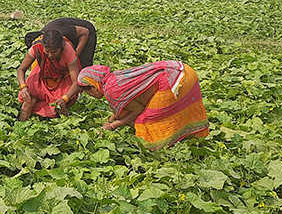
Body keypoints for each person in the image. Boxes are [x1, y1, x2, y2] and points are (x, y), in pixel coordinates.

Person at [76, 61, 209, 151]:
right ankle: (189, 137)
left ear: (93, 86)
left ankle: (163, 150)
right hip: (184, 71)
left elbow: (137, 110)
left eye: (87, 91)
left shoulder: (112, 91)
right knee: (177, 109)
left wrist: (113, 126)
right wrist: (112, 119)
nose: (89, 95)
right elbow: (127, 104)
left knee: (146, 121)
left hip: (173, 81)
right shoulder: (113, 79)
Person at [16, 29, 81, 120]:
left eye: (54, 52)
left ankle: (62, 123)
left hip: (61, 80)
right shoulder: (37, 47)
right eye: (47, 51)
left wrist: (65, 98)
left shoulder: (68, 53)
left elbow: (76, 82)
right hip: (42, 75)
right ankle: (21, 123)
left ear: (61, 48)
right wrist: (23, 87)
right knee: (29, 100)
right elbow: (21, 70)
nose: (50, 55)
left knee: (58, 106)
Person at [25, 18, 97, 68]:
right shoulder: (46, 38)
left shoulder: (60, 31)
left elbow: (85, 32)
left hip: (86, 33)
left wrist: (76, 54)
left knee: (82, 64)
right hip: (72, 36)